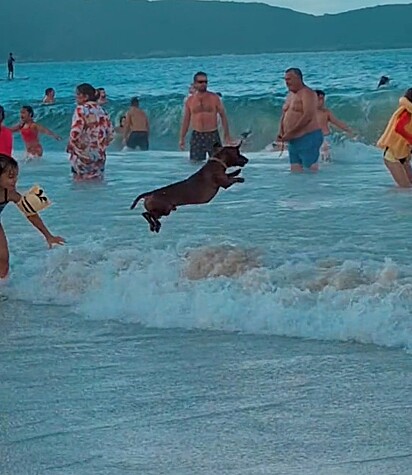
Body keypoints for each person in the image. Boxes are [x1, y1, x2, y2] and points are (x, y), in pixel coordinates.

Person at [0, 154, 65, 279]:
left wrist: (48, 236)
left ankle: (3, 289)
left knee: (3, 260)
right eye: (10, 177)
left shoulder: (10, 194)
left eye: (16, 176)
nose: (15, 180)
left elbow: (30, 213)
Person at [277, 68, 323, 172]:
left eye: (289, 79)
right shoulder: (290, 95)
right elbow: (285, 114)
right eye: (285, 80)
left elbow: (308, 116)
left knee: (310, 171)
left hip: (307, 137)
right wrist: (281, 132)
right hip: (293, 140)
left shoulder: (308, 93)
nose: (286, 82)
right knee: (295, 172)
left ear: (298, 78)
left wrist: (291, 133)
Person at [179, 71, 232, 161]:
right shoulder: (190, 101)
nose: (204, 84)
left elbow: (223, 116)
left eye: (205, 82)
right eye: (200, 82)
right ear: (195, 84)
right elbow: (186, 120)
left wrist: (227, 136)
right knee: (195, 164)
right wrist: (182, 138)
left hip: (212, 134)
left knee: (218, 162)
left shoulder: (214, 98)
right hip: (197, 135)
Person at [67, 83, 114, 180]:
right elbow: (111, 134)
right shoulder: (102, 111)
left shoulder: (81, 109)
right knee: (97, 184)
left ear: (85, 97)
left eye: (77, 94)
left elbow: (75, 132)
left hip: (83, 155)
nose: (75, 97)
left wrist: (72, 145)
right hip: (99, 155)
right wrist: (100, 146)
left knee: (80, 186)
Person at [377, 88, 412, 188]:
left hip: (403, 156)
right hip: (392, 156)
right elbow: (399, 128)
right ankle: (388, 203)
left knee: (409, 187)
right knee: (405, 188)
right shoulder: (406, 113)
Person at [315, 90, 354, 161]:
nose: (322, 101)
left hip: (326, 137)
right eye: (319, 99)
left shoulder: (326, 112)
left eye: (323, 99)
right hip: (314, 138)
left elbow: (337, 122)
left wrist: (348, 129)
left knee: (327, 154)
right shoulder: (308, 113)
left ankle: (328, 165)